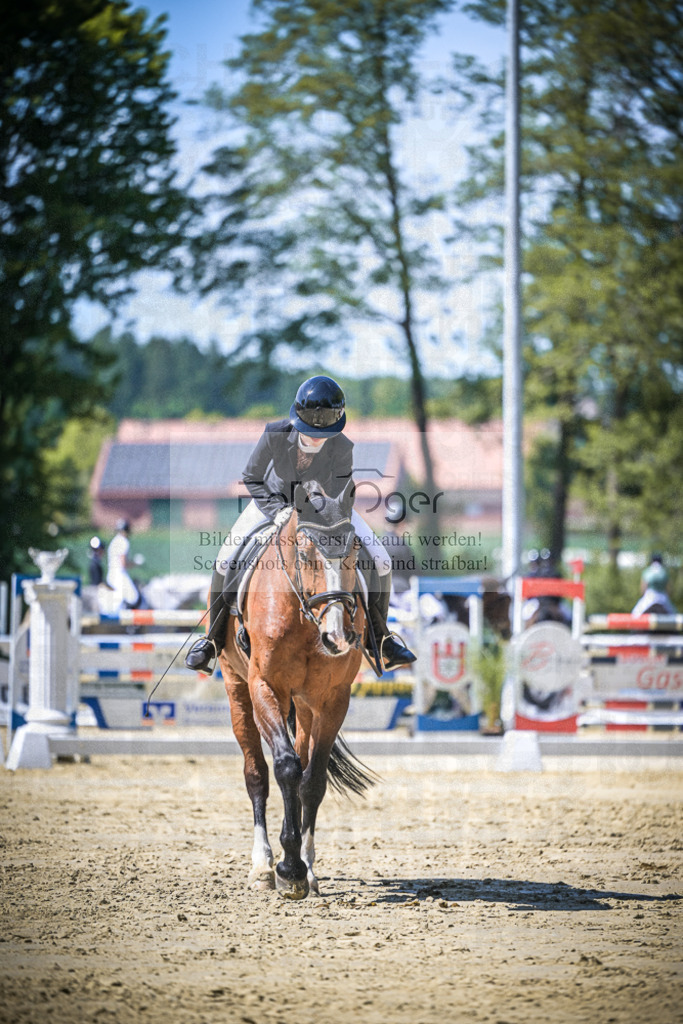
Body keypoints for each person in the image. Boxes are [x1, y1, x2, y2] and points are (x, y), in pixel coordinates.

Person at [185, 375, 417, 673]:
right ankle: (212, 641)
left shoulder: (342, 446)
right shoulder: (275, 433)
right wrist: (278, 510)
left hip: (326, 511)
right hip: (271, 505)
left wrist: (322, 512)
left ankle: (381, 638)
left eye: (326, 431)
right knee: (225, 559)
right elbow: (252, 477)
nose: (318, 438)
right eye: (311, 430)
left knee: (382, 560)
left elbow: (341, 489)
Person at [106, 519, 140, 611]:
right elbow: (123, 564)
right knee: (133, 597)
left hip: (111, 575)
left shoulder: (114, 541)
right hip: (119, 575)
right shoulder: (123, 541)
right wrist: (135, 563)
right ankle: (129, 624)